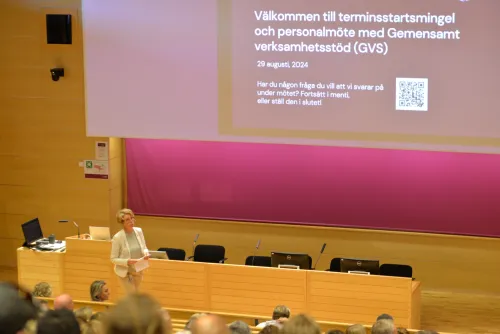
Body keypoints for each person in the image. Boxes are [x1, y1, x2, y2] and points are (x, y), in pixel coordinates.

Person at [110, 208, 150, 292]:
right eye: (127, 219)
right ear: (122, 222)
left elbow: (144, 247)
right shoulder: (118, 237)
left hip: (138, 271)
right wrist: (127, 261)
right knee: (132, 296)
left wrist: (146, 253)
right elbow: (113, 259)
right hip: (125, 273)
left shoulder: (139, 231)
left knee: (136, 295)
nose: (131, 221)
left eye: (132, 218)